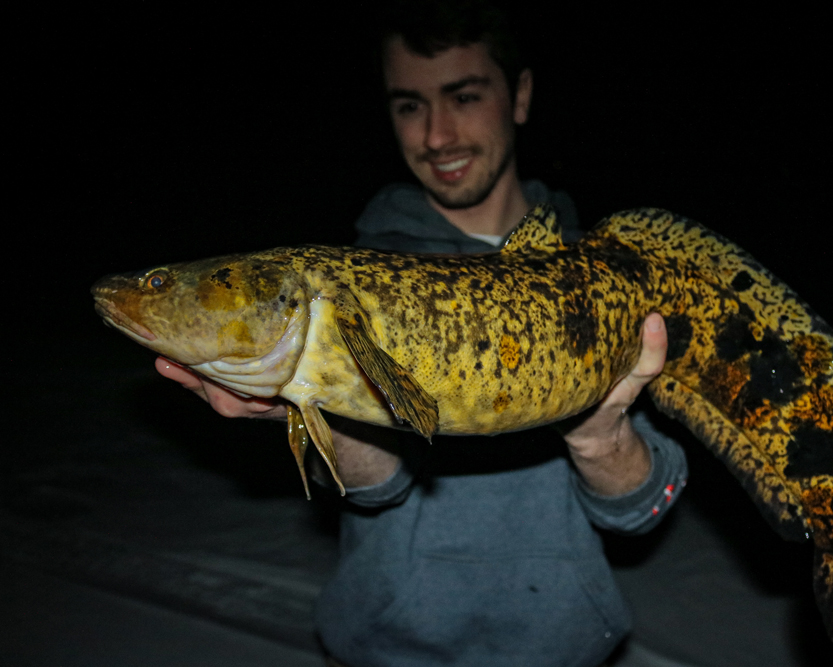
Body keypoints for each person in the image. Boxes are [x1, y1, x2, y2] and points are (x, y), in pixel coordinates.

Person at [157, 2, 687, 665]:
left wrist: (599, 433)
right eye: (409, 106)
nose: (437, 135)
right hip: (389, 648)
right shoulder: (354, 275)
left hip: (564, 649)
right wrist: (312, 388)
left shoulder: (601, 282)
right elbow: (378, 486)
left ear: (519, 95)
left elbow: (642, 509)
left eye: (463, 96)